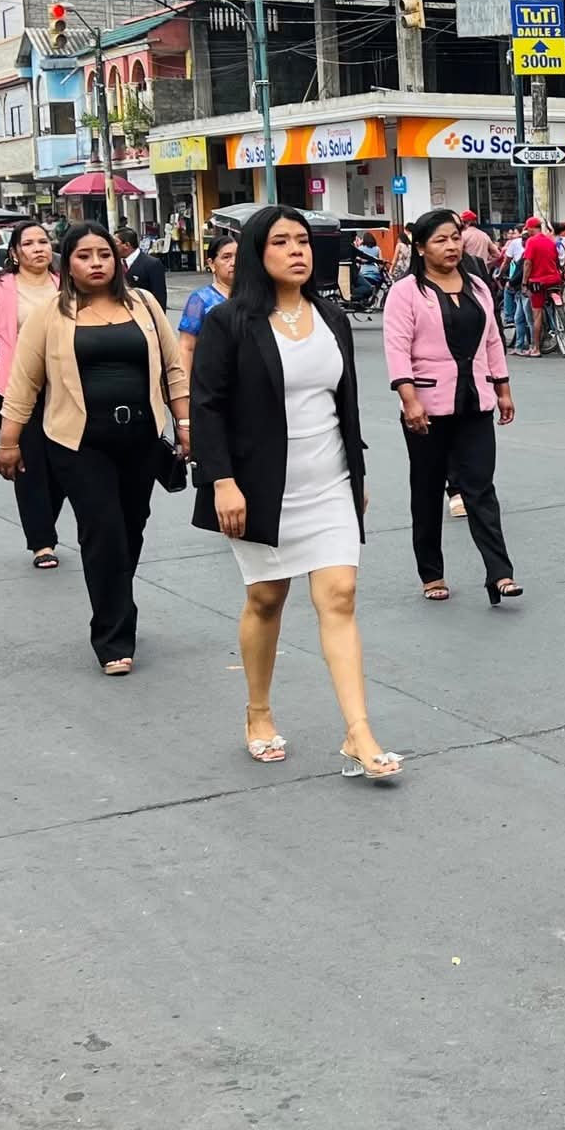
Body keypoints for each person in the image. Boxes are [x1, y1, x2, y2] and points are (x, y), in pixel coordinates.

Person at [190, 206, 402, 779]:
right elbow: (207, 406)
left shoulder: (331, 317)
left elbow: (344, 404)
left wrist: (357, 477)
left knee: (341, 596)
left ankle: (358, 731)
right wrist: (222, 482)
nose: (296, 251)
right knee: (267, 598)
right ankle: (258, 712)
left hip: (329, 479)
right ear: (258, 253)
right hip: (259, 485)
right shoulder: (229, 322)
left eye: (303, 241)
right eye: (281, 242)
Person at [0, 221, 190, 675]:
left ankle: (115, 599)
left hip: (141, 438)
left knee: (131, 528)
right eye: (84, 256)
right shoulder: (50, 314)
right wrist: (9, 442)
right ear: (68, 263)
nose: (96, 263)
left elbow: (173, 369)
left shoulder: (144, 305)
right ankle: (113, 636)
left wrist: (185, 424)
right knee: (102, 531)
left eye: (104, 255)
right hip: (78, 442)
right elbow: (23, 383)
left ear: (117, 260)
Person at [384, 208, 521, 603]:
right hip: (426, 407)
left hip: (475, 401)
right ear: (421, 248)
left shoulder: (477, 286)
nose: (451, 246)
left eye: (456, 238)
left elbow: (493, 340)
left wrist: (503, 388)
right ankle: (431, 573)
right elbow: (397, 348)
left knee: (480, 487)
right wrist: (409, 399)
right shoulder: (406, 292)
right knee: (427, 490)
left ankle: (499, 573)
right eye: (441, 240)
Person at [0, 220, 66, 569]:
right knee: (30, 461)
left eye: (43, 242)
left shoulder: (64, 284)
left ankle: (42, 522)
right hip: (11, 386)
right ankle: (42, 542)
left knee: (61, 463)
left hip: (62, 387)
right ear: (15, 253)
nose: (38, 249)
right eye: (29, 243)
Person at [175, 233, 238, 380]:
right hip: (213, 379)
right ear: (211, 263)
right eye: (226, 257)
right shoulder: (200, 300)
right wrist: (185, 388)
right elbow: (186, 347)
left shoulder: (253, 296)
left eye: (239, 257)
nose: (234, 262)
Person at [520, 215, 562, 355]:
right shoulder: (550, 241)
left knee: (536, 314)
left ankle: (536, 348)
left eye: (528, 229)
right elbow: (556, 260)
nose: (528, 232)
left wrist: (524, 282)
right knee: (554, 304)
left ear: (532, 228)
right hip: (554, 279)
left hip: (537, 281)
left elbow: (527, 263)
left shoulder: (531, 241)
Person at [115, 225, 169, 310]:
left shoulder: (152, 264)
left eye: (115, 243)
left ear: (126, 245)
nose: (111, 246)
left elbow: (159, 297)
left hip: (143, 314)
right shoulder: (115, 264)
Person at [457, 209, 498, 274]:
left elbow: (458, 254)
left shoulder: (463, 235)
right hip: (483, 272)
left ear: (467, 222)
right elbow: (497, 254)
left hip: (468, 272)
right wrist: (487, 265)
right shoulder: (484, 235)